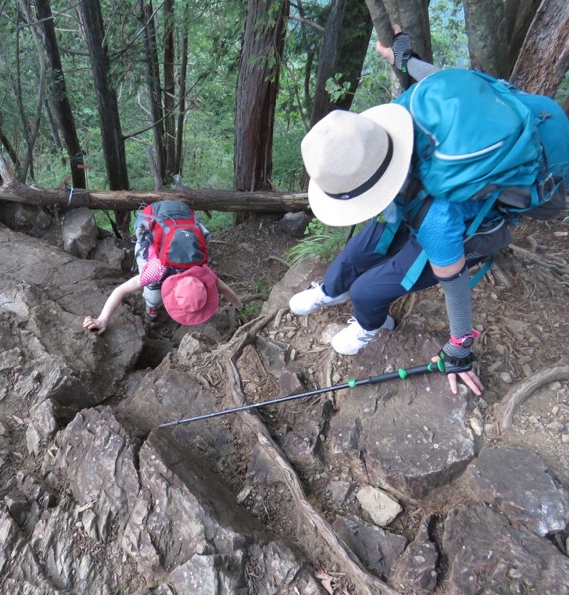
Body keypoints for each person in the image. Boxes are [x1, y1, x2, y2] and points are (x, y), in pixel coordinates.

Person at [288, 27, 524, 397]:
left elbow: (455, 283)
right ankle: (331, 291)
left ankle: (369, 323)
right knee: (356, 253)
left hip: (456, 225)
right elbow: (446, 84)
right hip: (413, 195)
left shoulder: (438, 219)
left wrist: (460, 347)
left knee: (368, 290)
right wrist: (403, 58)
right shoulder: (396, 120)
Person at [83, 200, 242, 334]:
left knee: (200, 237)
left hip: (179, 225)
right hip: (151, 235)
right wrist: (102, 319)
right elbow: (121, 289)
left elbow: (224, 289)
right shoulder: (157, 270)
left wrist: (241, 308)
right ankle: (151, 307)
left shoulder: (204, 271)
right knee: (154, 296)